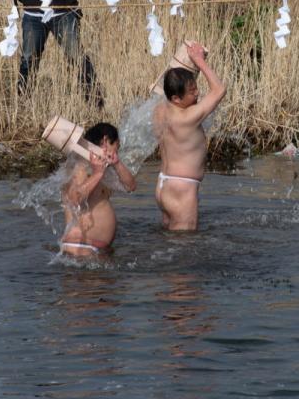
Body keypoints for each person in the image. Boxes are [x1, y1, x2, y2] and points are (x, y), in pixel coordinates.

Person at [153, 42, 225, 231]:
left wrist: (187, 66)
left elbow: (170, 85)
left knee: (168, 245)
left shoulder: (160, 110)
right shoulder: (187, 117)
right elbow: (219, 90)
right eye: (192, 92)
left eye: (196, 88)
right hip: (182, 191)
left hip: (163, 186)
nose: (198, 93)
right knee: (185, 252)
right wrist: (199, 60)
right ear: (176, 98)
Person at [59, 122, 136, 257]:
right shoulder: (80, 166)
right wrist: (97, 173)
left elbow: (131, 186)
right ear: (105, 141)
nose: (118, 150)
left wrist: (117, 163)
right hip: (83, 247)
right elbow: (74, 199)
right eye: (117, 146)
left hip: (92, 247)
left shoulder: (103, 167)